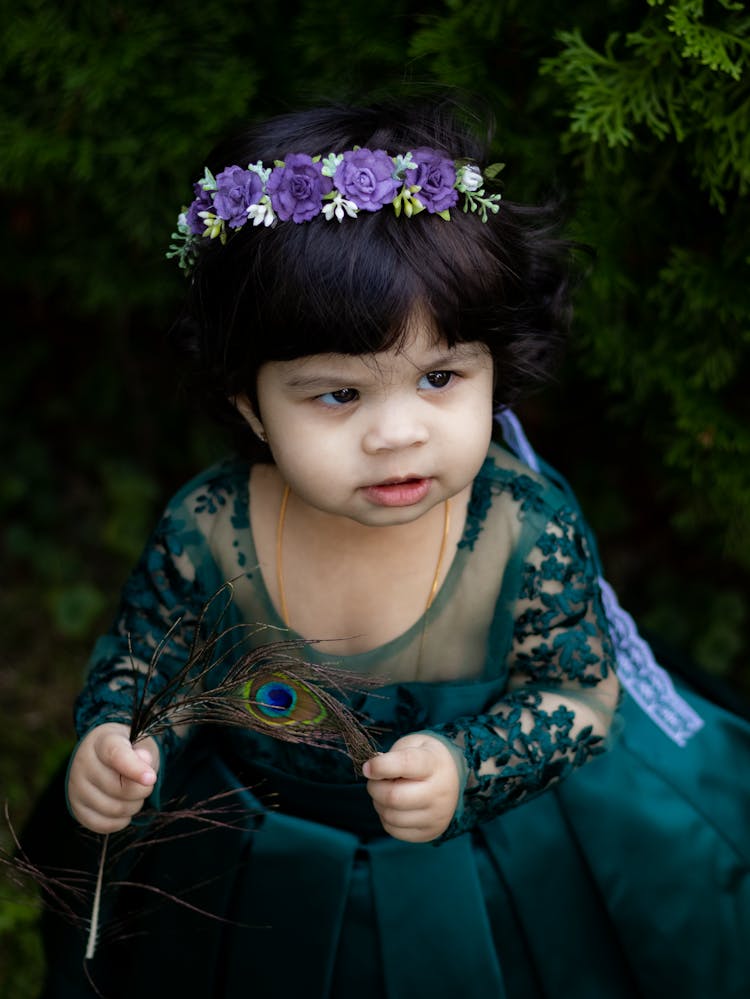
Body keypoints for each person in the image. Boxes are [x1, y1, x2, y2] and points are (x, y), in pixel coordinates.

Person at [32, 98, 750, 998]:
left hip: (490, 848)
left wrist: (469, 763)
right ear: (250, 405)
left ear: (495, 364)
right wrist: (121, 736)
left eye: (441, 377)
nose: (397, 433)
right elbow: (153, 657)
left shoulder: (525, 524)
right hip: (258, 844)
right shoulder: (211, 525)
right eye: (338, 396)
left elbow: (573, 689)